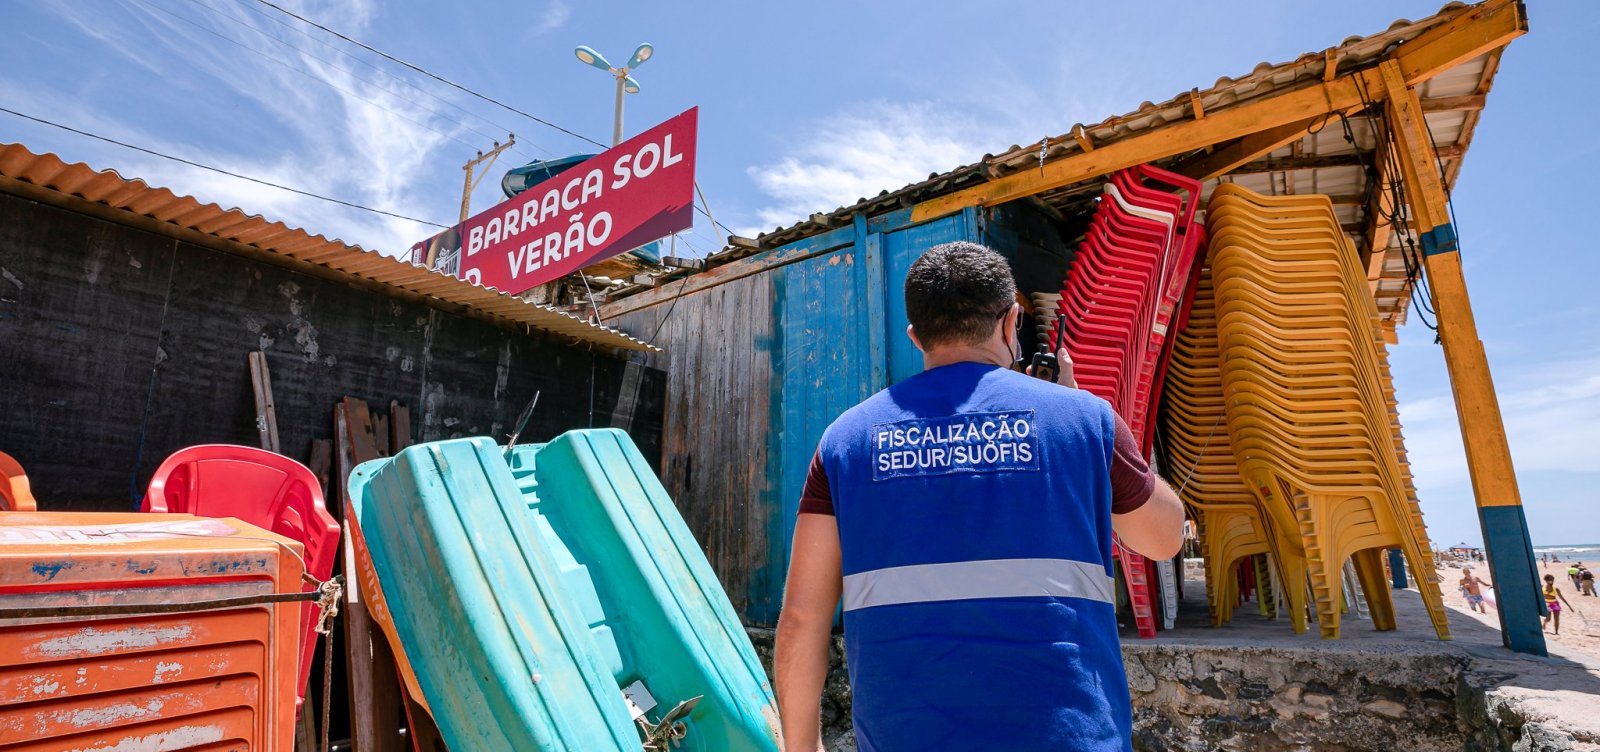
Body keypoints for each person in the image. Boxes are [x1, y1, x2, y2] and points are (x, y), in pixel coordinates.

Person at [775, 242, 1185, 752]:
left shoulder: (845, 441)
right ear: (1012, 323)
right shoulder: (1084, 420)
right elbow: (1165, 539)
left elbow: (801, 619)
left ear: (915, 336)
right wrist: (1084, 416)